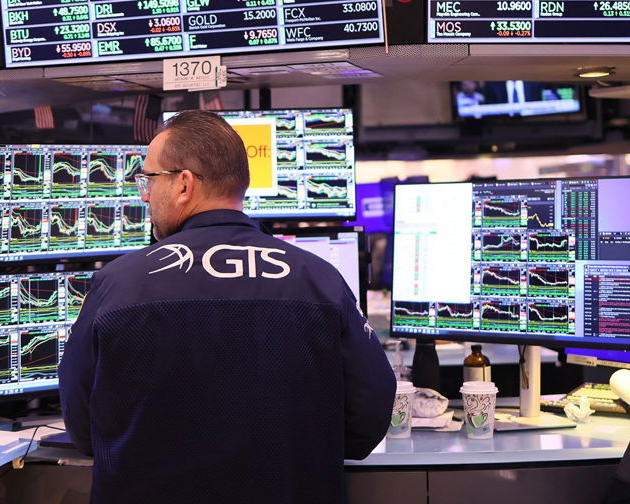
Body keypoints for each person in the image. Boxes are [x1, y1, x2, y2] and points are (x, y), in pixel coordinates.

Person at [59, 110, 394, 503]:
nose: (145, 194)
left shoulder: (117, 284)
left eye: (148, 180)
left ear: (184, 184)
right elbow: (369, 416)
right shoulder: (319, 279)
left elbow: (83, 428)